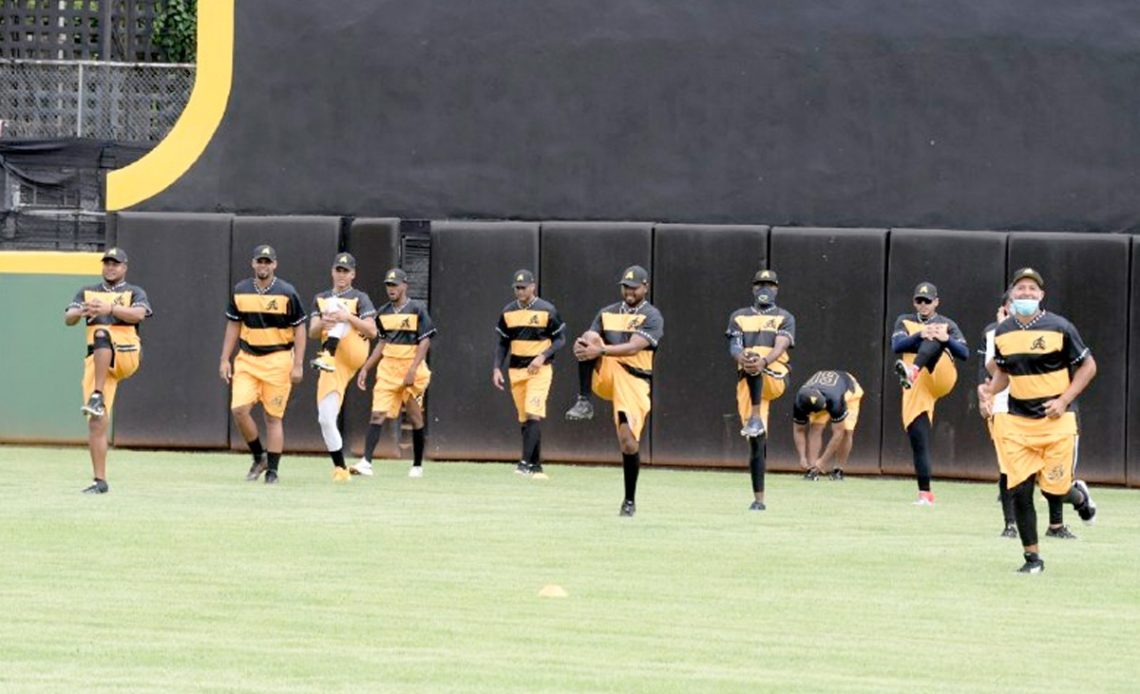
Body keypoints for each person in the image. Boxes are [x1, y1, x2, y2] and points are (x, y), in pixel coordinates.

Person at [987, 267, 1097, 574]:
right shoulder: (1004, 331)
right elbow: (1003, 374)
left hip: (1057, 423)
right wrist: (987, 392)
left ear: (1041, 296)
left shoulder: (1060, 327)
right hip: (1018, 423)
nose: (1026, 294)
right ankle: (1032, 559)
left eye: (1032, 290)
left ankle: (1078, 496)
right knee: (1020, 490)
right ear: (1011, 296)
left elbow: (1088, 366)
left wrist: (1063, 401)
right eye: (1020, 289)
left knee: (1053, 489)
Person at [565, 265, 664, 517]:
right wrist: (584, 346)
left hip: (635, 379)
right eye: (625, 286)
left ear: (645, 287)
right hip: (608, 371)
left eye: (634, 287)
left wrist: (601, 351)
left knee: (628, 442)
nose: (629, 291)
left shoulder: (652, 316)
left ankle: (629, 500)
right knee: (587, 338)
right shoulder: (607, 312)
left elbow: (634, 347)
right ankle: (583, 400)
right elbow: (591, 340)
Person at [978, 294, 1074, 540]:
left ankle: (1060, 517)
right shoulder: (996, 332)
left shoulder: (1050, 329)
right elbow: (993, 369)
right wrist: (987, 394)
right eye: (1012, 300)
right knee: (1008, 469)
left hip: (1041, 411)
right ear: (1004, 307)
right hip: (1004, 408)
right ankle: (1010, 524)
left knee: (1049, 476)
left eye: (1029, 291)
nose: (1019, 303)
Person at [64, 247, 152, 494]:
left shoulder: (133, 291)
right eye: (107, 263)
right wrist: (84, 310)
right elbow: (68, 317)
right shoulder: (87, 292)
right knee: (96, 421)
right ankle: (99, 481)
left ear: (125, 267)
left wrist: (109, 309)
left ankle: (97, 395)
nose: (110, 267)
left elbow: (140, 314)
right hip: (98, 359)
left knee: (103, 332)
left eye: (116, 264)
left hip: (126, 352)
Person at [219, 244, 306, 484]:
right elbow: (234, 325)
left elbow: (300, 328)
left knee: (273, 417)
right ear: (253, 263)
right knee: (239, 409)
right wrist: (224, 358)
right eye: (260, 261)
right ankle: (259, 455)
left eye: (268, 262)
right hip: (247, 360)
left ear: (275, 264)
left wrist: (298, 364)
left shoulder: (287, 291)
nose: (264, 265)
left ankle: (273, 471)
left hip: (278, 360)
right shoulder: (241, 290)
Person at [890, 282, 969, 505]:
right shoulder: (904, 320)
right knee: (918, 436)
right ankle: (925, 494)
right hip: (916, 385)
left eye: (928, 301)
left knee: (935, 335)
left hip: (941, 373)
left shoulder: (946, 323)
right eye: (919, 300)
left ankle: (913, 369)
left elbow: (964, 352)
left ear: (936, 302)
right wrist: (919, 334)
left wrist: (945, 339)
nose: (923, 305)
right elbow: (896, 345)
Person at [354, 268, 436, 478]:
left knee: (415, 416)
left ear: (404, 285)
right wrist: (366, 367)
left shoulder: (417, 308)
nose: (391, 289)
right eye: (388, 285)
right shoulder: (383, 312)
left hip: (412, 370)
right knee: (377, 413)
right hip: (388, 369)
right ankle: (366, 462)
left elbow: (425, 340)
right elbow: (382, 342)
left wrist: (413, 369)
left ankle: (417, 464)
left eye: (395, 285)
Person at [725, 269, 795, 510]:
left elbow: (781, 344)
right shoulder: (739, 316)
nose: (764, 289)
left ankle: (755, 417)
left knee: (756, 360)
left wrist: (762, 361)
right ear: (753, 288)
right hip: (747, 380)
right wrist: (743, 355)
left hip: (775, 375)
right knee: (757, 442)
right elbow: (734, 347)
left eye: (769, 284)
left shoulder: (784, 316)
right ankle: (759, 500)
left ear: (776, 288)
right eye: (760, 284)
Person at [308, 253, 377, 481]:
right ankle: (341, 468)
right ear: (332, 271)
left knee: (336, 307)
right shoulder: (320, 297)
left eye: (346, 271)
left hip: (354, 348)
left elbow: (372, 331)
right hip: (333, 364)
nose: (341, 275)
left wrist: (347, 316)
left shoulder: (360, 297)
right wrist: (323, 323)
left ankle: (327, 352)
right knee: (325, 418)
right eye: (338, 270)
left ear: (353, 274)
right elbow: (312, 331)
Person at [492, 269, 566, 480]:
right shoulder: (508, 312)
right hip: (516, 370)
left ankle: (524, 463)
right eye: (517, 287)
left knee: (533, 412)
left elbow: (560, 339)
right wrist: (497, 367)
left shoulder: (547, 310)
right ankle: (536, 466)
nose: (520, 291)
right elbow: (502, 342)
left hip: (539, 370)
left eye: (523, 287)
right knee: (525, 418)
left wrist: (543, 356)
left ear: (533, 287)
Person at [791, 370, 863, 483]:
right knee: (815, 427)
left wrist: (823, 461)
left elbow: (838, 433)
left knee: (846, 431)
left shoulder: (836, 400)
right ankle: (812, 469)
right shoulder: (800, 401)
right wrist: (802, 457)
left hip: (848, 389)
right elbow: (798, 430)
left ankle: (838, 470)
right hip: (823, 392)